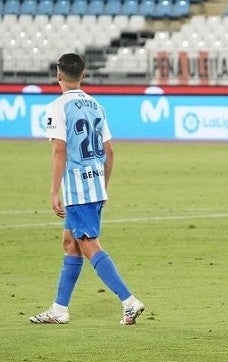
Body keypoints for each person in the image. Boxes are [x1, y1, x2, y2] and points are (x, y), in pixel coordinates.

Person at [29, 53, 144, 325]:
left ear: (58, 74)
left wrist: (54, 191)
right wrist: (102, 187)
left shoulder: (57, 107)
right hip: (93, 185)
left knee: (88, 244)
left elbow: (59, 149)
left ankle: (129, 301)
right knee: (71, 243)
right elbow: (110, 152)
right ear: (83, 75)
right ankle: (59, 309)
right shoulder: (96, 106)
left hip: (77, 189)